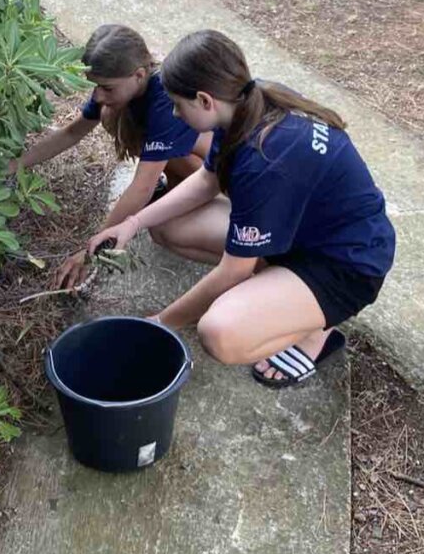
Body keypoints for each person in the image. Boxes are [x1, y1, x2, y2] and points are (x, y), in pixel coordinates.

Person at [87, 30, 395, 388]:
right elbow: (207, 180)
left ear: (204, 100)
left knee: (220, 333)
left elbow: (232, 272)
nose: (173, 112)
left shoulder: (265, 161)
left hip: (346, 266)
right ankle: (277, 293)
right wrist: (133, 222)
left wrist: (161, 323)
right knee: (168, 227)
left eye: (177, 104)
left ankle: (315, 328)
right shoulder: (247, 101)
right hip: (301, 234)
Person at [10, 24, 211, 290]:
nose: (97, 95)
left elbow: (142, 185)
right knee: (110, 114)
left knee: (164, 231)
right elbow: (72, 133)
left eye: (106, 88)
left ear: (139, 74)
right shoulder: (120, 90)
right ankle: (178, 187)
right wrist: (13, 165)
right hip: (194, 159)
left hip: (222, 174)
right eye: (94, 86)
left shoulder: (164, 97)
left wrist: (92, 250)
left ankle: (253, 260)